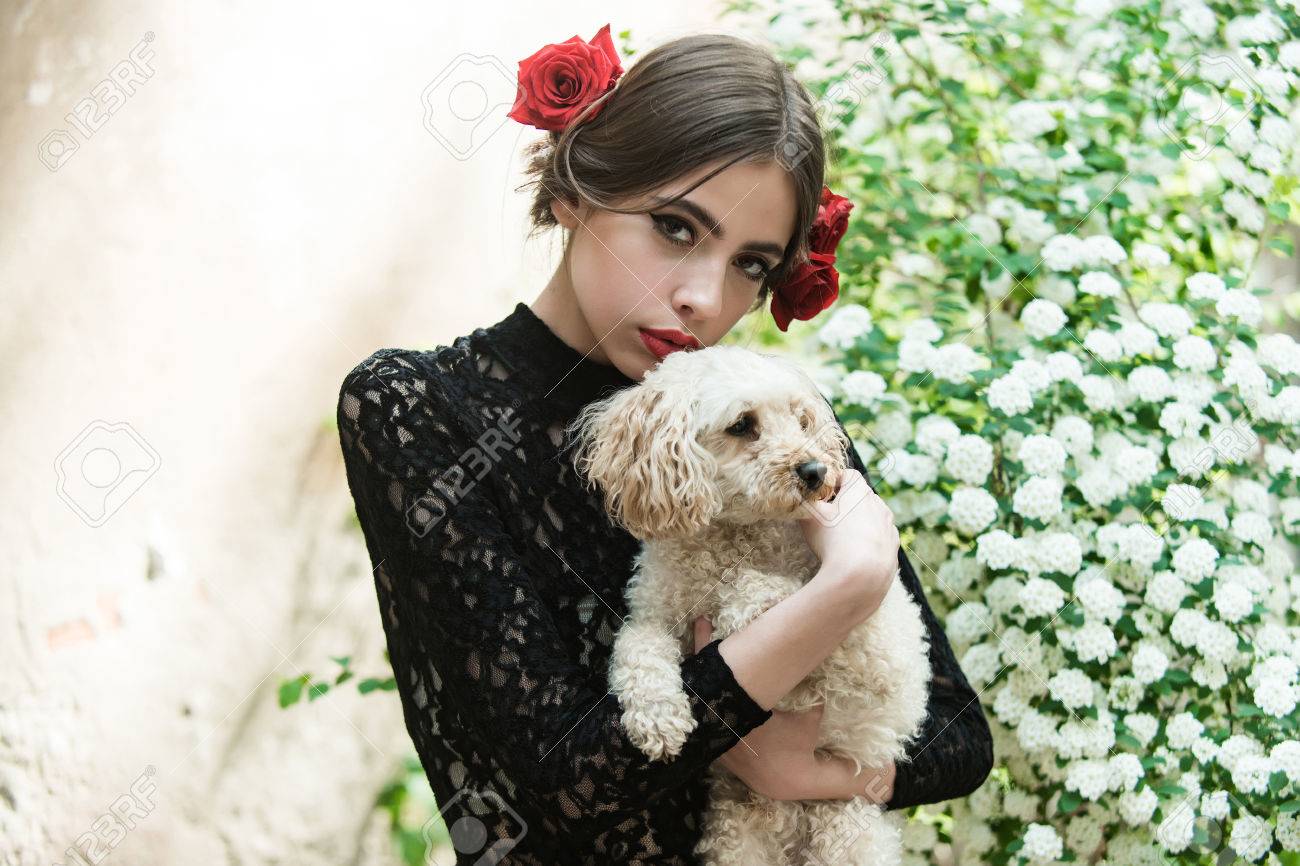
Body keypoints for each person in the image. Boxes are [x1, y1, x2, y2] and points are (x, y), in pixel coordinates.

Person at [336, 26, 993, 865]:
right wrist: (848, 586)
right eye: (677, 229)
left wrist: (816, 778)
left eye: (751, 265)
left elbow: (960, 738)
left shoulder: (770, 420)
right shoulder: (418, 408)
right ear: (576, 188)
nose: (703, 297)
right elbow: (570, 790)